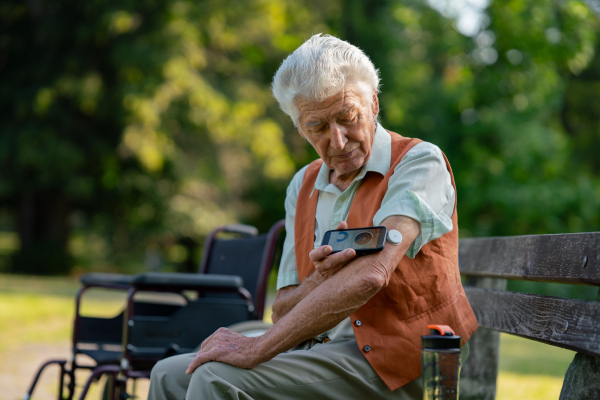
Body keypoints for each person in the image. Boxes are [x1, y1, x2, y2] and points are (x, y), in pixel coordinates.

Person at [149, 33, 478, 399]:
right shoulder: (302, 185)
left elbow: (372, 274)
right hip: (318, 350)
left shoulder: (419, 163)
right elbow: (284, 309)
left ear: (373, 104)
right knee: (167, 374)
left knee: (215, 378)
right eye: (317, 127)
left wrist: (256, 348)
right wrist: (319, 279)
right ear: (300, 128)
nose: (337, 141)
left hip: (401, 361)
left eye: (347, 117)